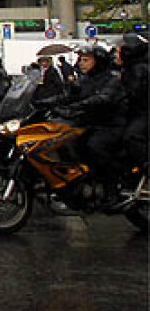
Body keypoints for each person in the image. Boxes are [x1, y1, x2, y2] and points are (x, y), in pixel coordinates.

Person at [57, 42, 127, 206]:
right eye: (80, 59)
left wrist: (78, 106)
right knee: (66, 140)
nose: (81, 63)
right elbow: (69, 96)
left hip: (111, 125)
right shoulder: (85, 79)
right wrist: (43, 103)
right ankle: (80, 185)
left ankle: (111, 189)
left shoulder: (112, 77)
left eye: (86, 59)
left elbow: (103, 98)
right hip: (92, 123)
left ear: (99, 61)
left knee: (95, 147)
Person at [117, 33, 148, 167]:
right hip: (135, 112)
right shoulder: (129, 68)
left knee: (131, 136)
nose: (116, 54)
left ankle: (144, 167)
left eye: (119, 51)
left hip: (142, 113)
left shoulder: (139, 70)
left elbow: (130, 94)